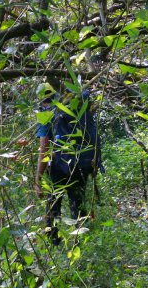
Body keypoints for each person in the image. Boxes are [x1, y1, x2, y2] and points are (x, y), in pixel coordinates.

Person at [35, 86, 102, 243]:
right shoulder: (74, 107)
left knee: (53, 205)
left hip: (59, 166)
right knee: (77, 204)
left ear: (42, 101)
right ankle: (80, 243)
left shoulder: (46, 114)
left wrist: (37, 178)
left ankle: (53, 242)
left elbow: (44, 148)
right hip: (81, 163)